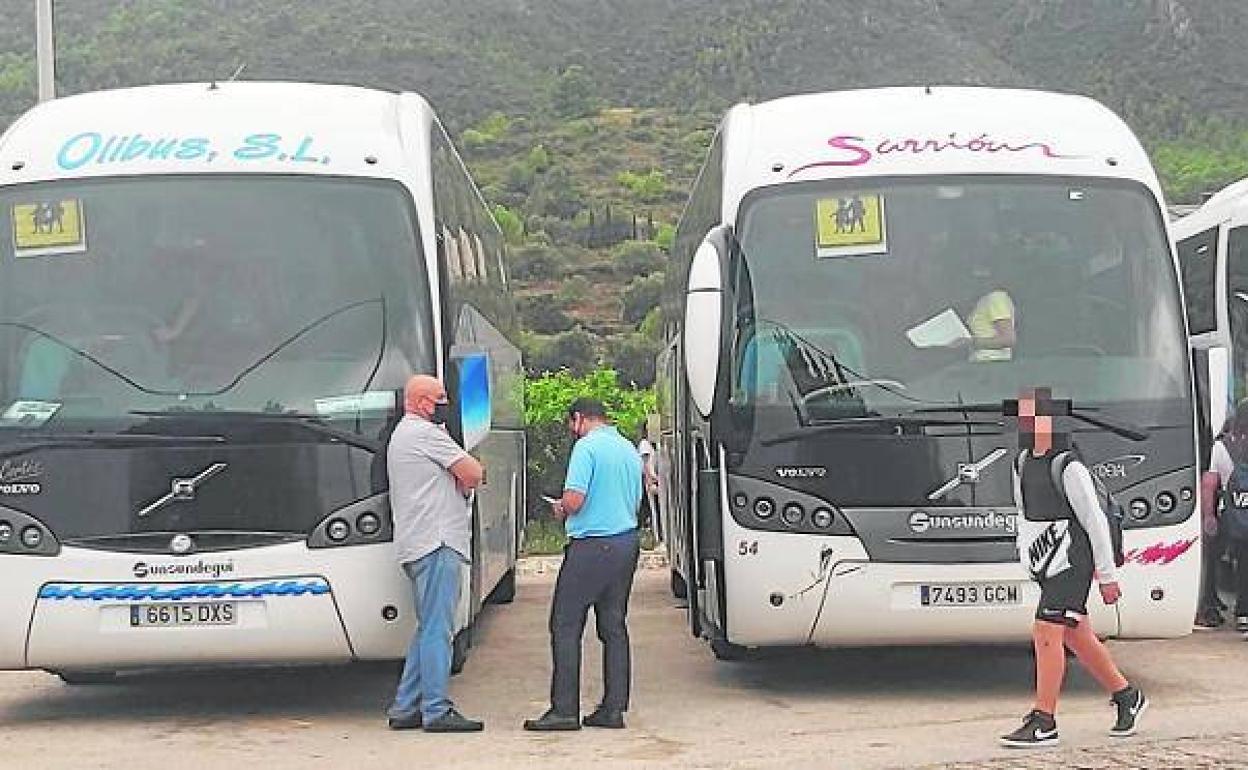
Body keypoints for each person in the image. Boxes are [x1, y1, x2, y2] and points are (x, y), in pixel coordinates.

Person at [1000, 387, 1147, 748]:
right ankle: (1127, 696)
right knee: (1076, 633)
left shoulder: (1069, 466)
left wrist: (1107, 575)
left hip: (1073, 559)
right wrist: (1028, 558)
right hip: (1046, 558)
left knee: (1046, 631)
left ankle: (1044, 719)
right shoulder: (1020, 463)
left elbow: (1094, 522)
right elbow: (1023, 514)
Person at [524, 398, 643, 732]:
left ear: (578, 419)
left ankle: (564, 709)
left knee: (565, 624)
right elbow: (637, 498)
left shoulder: (586, 449)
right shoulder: (628, 448)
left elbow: (575, 501)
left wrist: (560, 507)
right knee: (613, 626)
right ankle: (613, 708)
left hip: (592, 546)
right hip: (625, 542)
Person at [386, 374, 486, 733]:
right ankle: (436, 708)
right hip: (438, 542)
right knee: (439, 630)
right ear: (423, 402)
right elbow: (474, 473)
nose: (445, 404)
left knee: (428, 626)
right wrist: (465, 472)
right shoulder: (426, 435)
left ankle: (405, 705)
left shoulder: (402, 436)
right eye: (440, 398)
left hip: (417, 543)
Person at [1203, 401, 1248, 635]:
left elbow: (1209, 483)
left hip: (1237, 518)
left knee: (1242, 565)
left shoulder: (1223, 447)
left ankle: (1243, 613)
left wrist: (1209, 516)